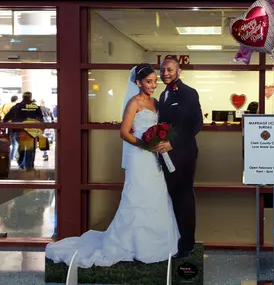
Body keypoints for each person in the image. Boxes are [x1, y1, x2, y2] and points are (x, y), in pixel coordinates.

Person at [45, 64, 179, 268]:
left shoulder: (155, 102)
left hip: (153, 159)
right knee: (137, 196)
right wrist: (144, 144)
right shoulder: (134, 103)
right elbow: (124, 132)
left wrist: (160, 140)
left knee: (156, 195)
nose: (153, 85)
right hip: (139, 155)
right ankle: (129, 244)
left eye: (154, 81)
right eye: (149, 81)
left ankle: (154, 245)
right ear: (138, 82)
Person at [155, 56, 203, 258]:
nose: (165, 73)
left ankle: (187, 244)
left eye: (170, 70)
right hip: (165, 156)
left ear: (178, 71)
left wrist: (172, 143)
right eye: (163, 70)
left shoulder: (188, 93)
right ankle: (174, 239)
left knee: (183, 198)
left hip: (182, 155)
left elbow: (196, 124)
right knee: (171, 197)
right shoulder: (163, 94)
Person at [3, 92, 43, 171]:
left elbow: (6, 118)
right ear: (31, 97)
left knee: (21, 148)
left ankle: (21, 164)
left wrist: (8, 124)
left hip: (19, 131)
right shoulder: (35, 107)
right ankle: (29, 167)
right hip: (32, 131)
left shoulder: (17, 106)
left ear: (22, 97)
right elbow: (41, 119)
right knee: (30, 149)